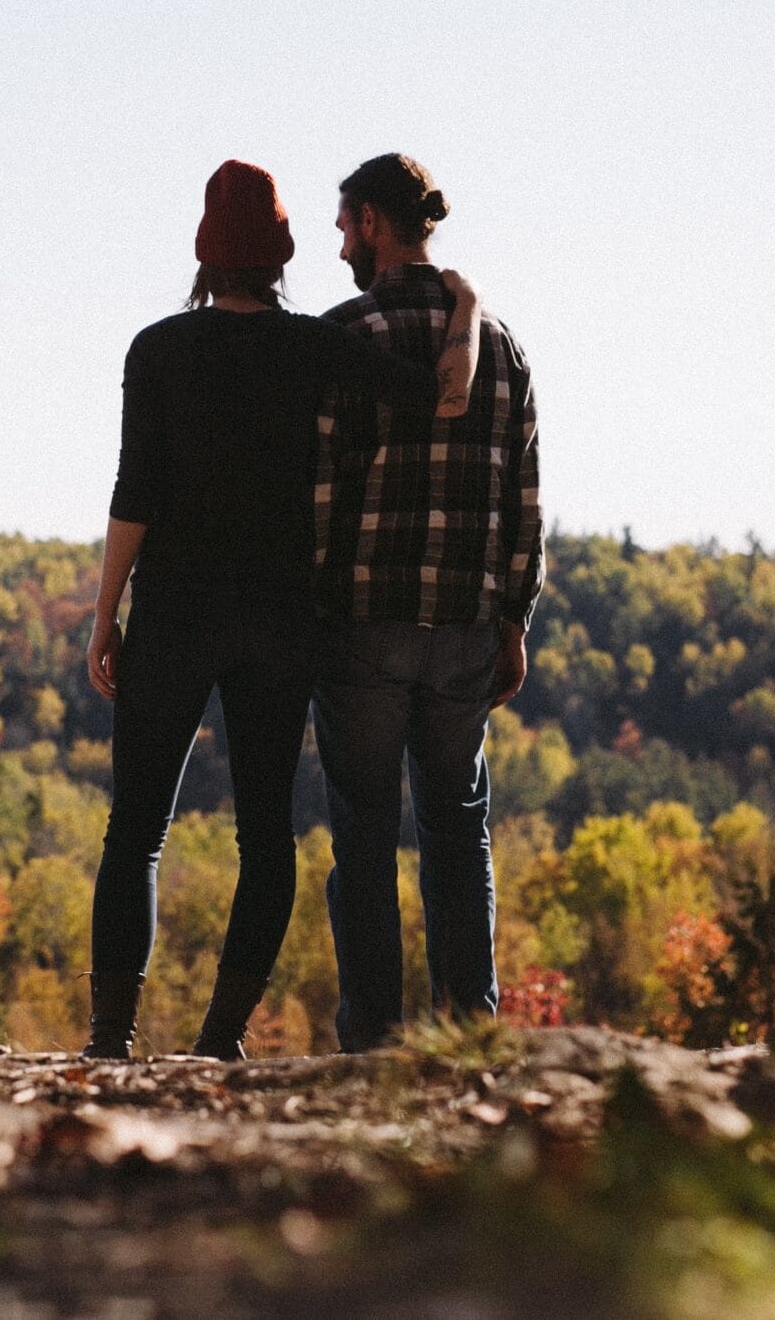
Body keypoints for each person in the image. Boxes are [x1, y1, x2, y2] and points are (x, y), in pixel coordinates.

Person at [82, 160, 482, 1061]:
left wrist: (105, 615)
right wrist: (466, 305)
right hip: (279, 621)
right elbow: (445, 396)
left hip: (176, 613)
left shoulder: (157, 350)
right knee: (265, 835)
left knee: (135, 828)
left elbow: (134, 492)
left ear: (203, 254)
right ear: (282, 253)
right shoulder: (313, 346)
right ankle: (219, 1038)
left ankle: (111, 1040)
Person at [313, 153, 542, 1052]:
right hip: (462, 630)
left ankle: (372, 1035)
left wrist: (316, 610)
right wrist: (513, 618)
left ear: (372, 221)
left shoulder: (346, 335)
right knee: (458, 831)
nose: (338, 246)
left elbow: (322, 496)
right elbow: (523, 497)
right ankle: (466, 1031)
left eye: (343, 227)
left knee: (363, 833)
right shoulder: (503, 348)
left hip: (364, 625)